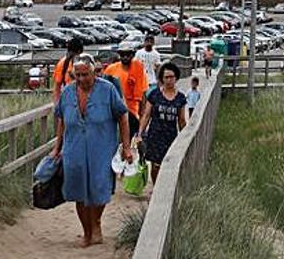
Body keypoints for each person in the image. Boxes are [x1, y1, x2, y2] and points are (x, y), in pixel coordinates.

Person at [50, 54, 131, 248]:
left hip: (102, 147)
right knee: (78, 191)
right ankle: (87, 232)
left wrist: (126, 147)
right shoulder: (68, 93)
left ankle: (96, 223)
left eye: (85, 74)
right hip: (74, 147)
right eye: (77, 75)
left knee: (100, 188)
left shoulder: (108, 89)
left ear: (94, 72)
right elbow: (61, 119)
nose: (81, 79)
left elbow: (122, 116)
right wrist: (57, 147)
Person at [138, 62, 188, 184]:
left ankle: (164, 186)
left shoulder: (180, 98)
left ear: (176, 78)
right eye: (166, 77)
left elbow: (181, 120)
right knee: (155, 166)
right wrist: (140, 133)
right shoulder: (154, 94)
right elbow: (146, 115)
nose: (169, 80)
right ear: (162, 79)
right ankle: (156, 187)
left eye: (172, 77)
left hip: (170, 136)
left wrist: (185, 138)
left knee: (168, 165)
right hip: (155, 135)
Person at [103, 47, 147, 139]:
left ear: (132, 55)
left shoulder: (138, 68)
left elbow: (142, 94)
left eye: (128, 55)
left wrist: (142, 117)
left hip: (132, 111)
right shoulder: (111, 69)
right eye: (123, 55)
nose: (125, 57)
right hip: (115, 111)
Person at [50, 38, 85, 104]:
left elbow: (57, 87)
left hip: (68, 99)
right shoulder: (83, 62)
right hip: (76, 100)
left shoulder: (61, 63)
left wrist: (56, 103)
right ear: (79, 51)